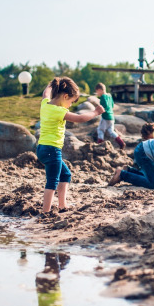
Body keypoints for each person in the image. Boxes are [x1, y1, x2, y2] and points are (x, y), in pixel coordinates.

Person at [38, 77, 105, 213]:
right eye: (70, 102)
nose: (69, 106)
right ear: (65, 96)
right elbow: (80, 118)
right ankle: (45, 212)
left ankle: (62, 205)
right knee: (52, 181)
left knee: (65, 175)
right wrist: (95, 112)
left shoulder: (45, 104)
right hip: (52, 150)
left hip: (42, 149)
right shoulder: (58, 111)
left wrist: (52, 83)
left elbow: (46, 93)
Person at [93, 83, 125, 149]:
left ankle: (100, 144)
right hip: (111, 117)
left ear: (99, 90)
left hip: (105, 116)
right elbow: (112, 105)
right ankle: (121, 142)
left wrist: (99, 111)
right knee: (111, 131)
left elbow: (103, 107)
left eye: (97, 92)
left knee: (100, 130)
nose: (97, 94)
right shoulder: (109, 96)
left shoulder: (103, 97)